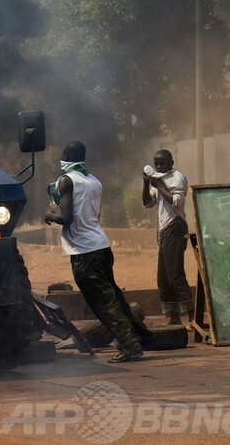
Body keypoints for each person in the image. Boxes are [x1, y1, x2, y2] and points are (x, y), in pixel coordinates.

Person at [45, 140, 150, 363]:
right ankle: (138, 337)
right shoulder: (94, 180)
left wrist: (49, 215)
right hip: (101, 245)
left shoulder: (66, 180)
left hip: (84, 251)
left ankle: (129, 345)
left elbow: (66, 218)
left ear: (64, 154)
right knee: (114, 296)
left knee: (103, 302)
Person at [142, 150, 193, 327]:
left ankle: (192, 318)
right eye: (156, 163)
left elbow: (176, 201)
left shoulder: (177, 177)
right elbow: (148, 203)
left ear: (171, 162)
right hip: (164, 230)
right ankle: (174, 317)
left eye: (162, 163)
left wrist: (158, 184)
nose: (158, 166)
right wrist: (146, 183)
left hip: (175, 226)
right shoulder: (158, 179)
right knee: (163, 277)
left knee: (175, 274)